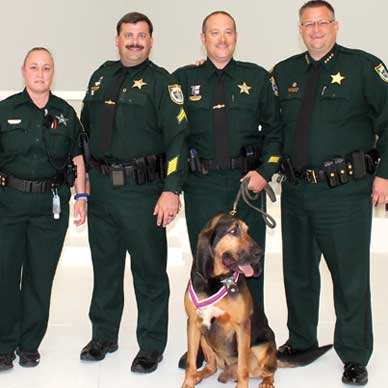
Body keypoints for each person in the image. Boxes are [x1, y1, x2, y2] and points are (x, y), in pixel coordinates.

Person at [272, 1, 388, 385]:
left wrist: (385, 175)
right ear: (300, 29)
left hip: (345, 192)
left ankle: (354, 354)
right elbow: (272, 129)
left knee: (349, 278)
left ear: (336, 26)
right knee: (298, 273)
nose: (316, 30)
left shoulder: (363, 67)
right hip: (296, 191)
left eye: (323, 23)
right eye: (309, 24)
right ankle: (302, 341)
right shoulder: (285, 72)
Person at [79, 12, 188, 374]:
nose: (135, 41)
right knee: (105, 268)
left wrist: (171, 190)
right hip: (103, 191)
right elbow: (86, 131)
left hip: (144, 192)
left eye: (142, 35)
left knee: (149, 272)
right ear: (117, 39)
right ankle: (103, 336)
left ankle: (151, 346)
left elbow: (177, 140)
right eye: (129, 35)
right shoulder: (100, 76)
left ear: (151, 41)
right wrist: (84, 181)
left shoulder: (162, 83)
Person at [174, 11, 282, 369]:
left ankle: (253, 337)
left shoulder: (256, 77)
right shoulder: (183, 79)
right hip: (201, 185)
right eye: (214, 33)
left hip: (244, 186)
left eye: (228, 32)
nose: (222, 39)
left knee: (249, 266)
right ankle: (207, 345)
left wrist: (265, 171)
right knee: (206, 266)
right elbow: (174, 135)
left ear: (236, 37)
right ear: (202, 38)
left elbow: (275, 131)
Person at [0, 47, 87, 371]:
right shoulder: (5, 110)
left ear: (53, 73)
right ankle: (4, 345)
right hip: (7, 204)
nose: (40, 73)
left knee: (40, 277)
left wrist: (81, 198)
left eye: (46, 68)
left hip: (49, 208)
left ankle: (29, 345)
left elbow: (78, 159)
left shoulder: (65, 113)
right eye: (34, 67)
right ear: (24, 72)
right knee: (5, 276)